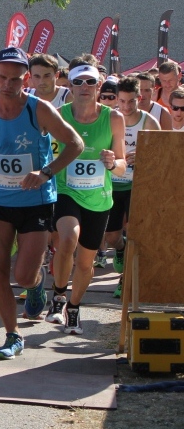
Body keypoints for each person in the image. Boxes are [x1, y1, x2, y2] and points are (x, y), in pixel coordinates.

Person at [0, 47, 82, 360]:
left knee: (23, 276)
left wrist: (46, 171)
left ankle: (36, 282)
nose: (8, 84)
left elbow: (75, 143)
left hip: (35, 203)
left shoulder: (37, 109)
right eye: (3, 78)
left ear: (25, 78)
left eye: (15, 79)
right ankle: (13, 334)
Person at [46, 57, 126, 335]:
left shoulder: (113, 117)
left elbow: (123, 165)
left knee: (86, 262)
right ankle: (57, 296)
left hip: (99, 197)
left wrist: (112, 162)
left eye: (90, 82)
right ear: (68, 85)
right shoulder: (59, 115)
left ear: (99, 85)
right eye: (78, 82)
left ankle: (74, 306)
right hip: (66, 190)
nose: (84, 87)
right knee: (68, 238)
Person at [108, 76, 160, 298]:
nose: (126, 107)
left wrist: (145, 157)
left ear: (139, 98)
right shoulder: (109, 118)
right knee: (111, 237)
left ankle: (125, 280)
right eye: (122, 101)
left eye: (131, 101)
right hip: (112, 185)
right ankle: (121, 248)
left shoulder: (149, 122)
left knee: (136, 232)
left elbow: (162, 155)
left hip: (136, 186)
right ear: (116, 100)